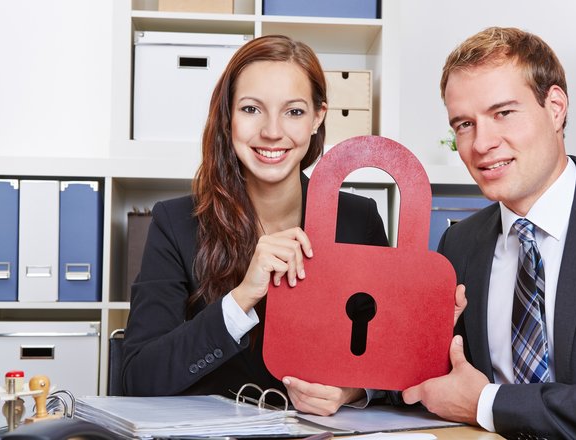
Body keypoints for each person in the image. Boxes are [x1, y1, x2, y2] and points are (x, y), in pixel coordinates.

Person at [402, 27, 576, 438]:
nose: (481, 143)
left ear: (555, 107)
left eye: (503, 113)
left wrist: (490, 404)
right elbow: (442, 380)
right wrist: (354, 388)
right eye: (464, 124)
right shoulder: (460, 242)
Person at [121, 34, 389, 416]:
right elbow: (138, 378)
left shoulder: (359, 219)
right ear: (228, 117)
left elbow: (388, 357)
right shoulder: (176, 223)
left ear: (318, 118)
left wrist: (351, 391)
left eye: (294, 112)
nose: (272, 131)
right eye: (251, 109)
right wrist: (241, 299)